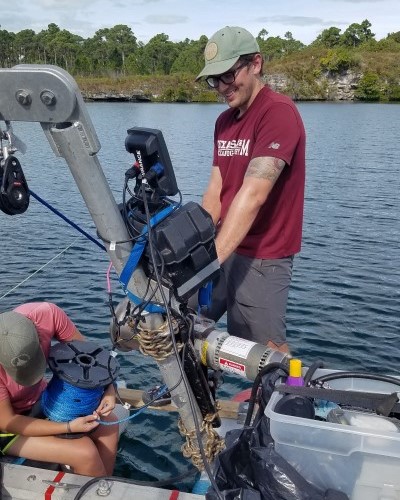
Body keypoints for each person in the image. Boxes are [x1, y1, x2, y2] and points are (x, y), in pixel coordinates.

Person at [195, 26, 306, 353]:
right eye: (214, 80)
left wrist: (212, 258)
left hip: (263, 256)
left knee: (264, 354)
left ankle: (291, 400)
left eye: (228, 75)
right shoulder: (224, 122)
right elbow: (215, 191)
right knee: (183, 322)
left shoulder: (278, 112)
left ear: (255, 64)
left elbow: (253, 194)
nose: (221, 88)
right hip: (223, 244)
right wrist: (195, 248)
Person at [0, 301, 119, 476]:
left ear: (38, 334)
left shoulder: (47, 314)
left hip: (43, 399)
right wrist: (68, 427)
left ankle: (105, 487)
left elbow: (89, 360)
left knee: (109, 426)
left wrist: (109, 389)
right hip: (8, 428)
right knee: (85, 453)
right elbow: (7, 422)